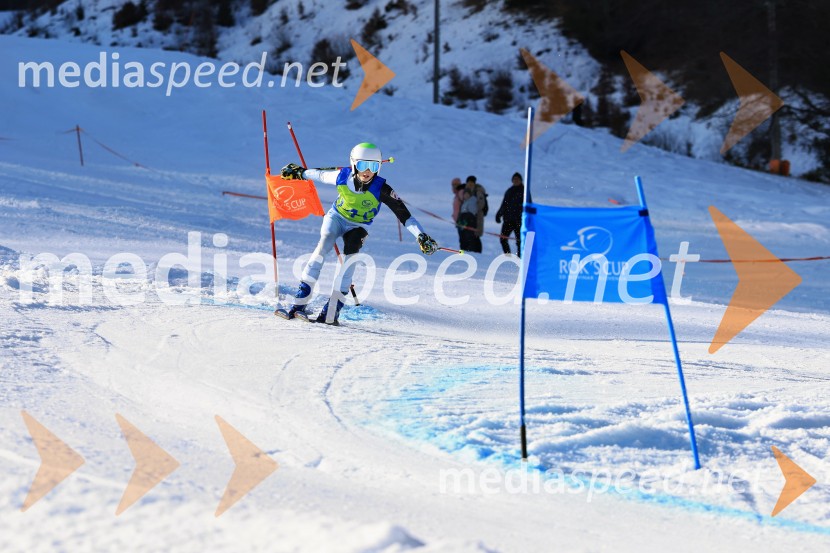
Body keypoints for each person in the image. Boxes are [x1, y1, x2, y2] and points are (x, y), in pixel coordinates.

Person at [277, 142, 438, 325]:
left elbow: (404, 215)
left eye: (373, 166)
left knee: (351, 253)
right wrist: (299, 173)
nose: (367, 171)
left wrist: (421, 235)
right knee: (324, 244)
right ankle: (299, 303)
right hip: (336, 218)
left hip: (359, 226)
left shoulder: (382, 189)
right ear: (354, 164)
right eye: (363, 165)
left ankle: (332, 310)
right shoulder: (342, 176)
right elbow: (320, 175)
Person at [495, 172, 524, 256]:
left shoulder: (524, 191)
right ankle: (508, 256)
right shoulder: (509, 191)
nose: (515, 181)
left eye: (517, 179)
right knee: (503, 239)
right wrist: (499, 214)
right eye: (514, 179)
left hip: (519, 220)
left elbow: (529, 205)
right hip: (508, 220)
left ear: (521, 180)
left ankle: (520, 258)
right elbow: (504, 204)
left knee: (519, 241)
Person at [463, 175, 486, 253]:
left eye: (471, 182)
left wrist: (474, 211)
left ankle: (477, 252)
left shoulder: (478, 191)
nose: (470, 184)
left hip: (477, 216)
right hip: (468, 217)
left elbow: (481, 203)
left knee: (476, 235)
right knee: (469, 235)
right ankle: (471, 250)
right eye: (468, 182)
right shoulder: (467, 191)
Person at [457, 188, 480, 252]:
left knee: (469, 239)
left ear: (470, 194)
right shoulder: (465, 202)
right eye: (465, 194)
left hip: (470, 224)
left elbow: (472, 213)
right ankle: (463, 252)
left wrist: (465, 221)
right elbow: (462, 213)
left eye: (467, 194)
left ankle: (471, 253)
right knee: (463, 239)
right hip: (464, 225)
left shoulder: (472, 201)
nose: (466, 195)